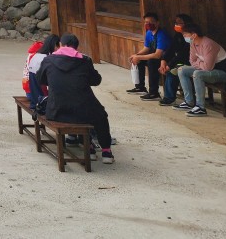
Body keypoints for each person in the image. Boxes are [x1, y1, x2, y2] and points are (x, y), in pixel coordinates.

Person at [37, 33, 115, 164]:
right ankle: (106, 151)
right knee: (100, 115)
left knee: (85, 109)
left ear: (61, 45)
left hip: (56, 111)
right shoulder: (85, 61)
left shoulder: (48, 60)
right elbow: (96, 80)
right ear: (76, 47)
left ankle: (89, 147)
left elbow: (41, 79)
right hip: (82, 111)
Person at [174, 23, 226, 117]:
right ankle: (189, 102)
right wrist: (201, 63)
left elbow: (208, 67)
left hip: (225, 73)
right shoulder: (193, 43)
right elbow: (192, 61)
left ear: (194, 35)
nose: (183, 36)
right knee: (181, 70)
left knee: (198, 74)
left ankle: (200, 107)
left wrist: (199, 63)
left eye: (185, 34)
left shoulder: (208, 44)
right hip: (210, 70)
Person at [126, 12, 171, 100]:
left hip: (165, 59)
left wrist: (138, 57)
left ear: (157, 23)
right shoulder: (149, 33)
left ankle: (154, 93)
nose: (148, 24)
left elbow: (158, 55)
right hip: (155, 56)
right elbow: (146, 48)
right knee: (139, 61)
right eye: (146, 22)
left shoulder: (162, 35)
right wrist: (136, 55)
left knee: (152, 62)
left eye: (151, 22)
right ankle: (140, 87)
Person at [158, 14, 195, 106]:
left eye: (179, 23)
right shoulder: (178, 35)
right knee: (171, 69)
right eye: (176, 23)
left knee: (172, 71)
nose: (177, 24)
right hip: (182, 61)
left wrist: (169, 65)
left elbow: (183, 54)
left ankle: (169, 98)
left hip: (191, 62)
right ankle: (169, 96)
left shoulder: (191, 36)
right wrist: (163, 61)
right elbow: (171, 49)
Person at [26, 34, 60, 108]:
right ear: (55, 45)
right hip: (42, 100)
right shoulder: (47, 59)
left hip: (34, 96)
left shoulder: (37, 55)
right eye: (58, 46)